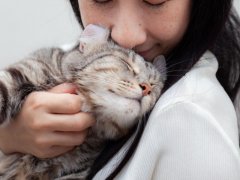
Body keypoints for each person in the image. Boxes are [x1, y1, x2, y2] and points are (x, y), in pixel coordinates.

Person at [1, 0, 240, 179]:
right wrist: (9, 137)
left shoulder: (190, 118)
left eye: (155, 0)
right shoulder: (79, 52)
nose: (127, 37)